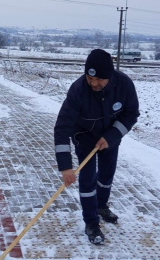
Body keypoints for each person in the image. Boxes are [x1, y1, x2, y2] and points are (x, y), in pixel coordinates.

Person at [54, 49, 139, 245]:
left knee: (107, 174)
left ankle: (101, 206)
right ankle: (91, 222)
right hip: (84, 137)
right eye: (90, 78)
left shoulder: (124, 85)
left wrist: (111, 136)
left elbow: (131, 114)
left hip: (110, 137)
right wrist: (66, 166)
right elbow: (62, 127)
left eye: (99, 79)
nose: (94, 83)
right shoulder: (78, 90)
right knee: (88, 177)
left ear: (109, 75)